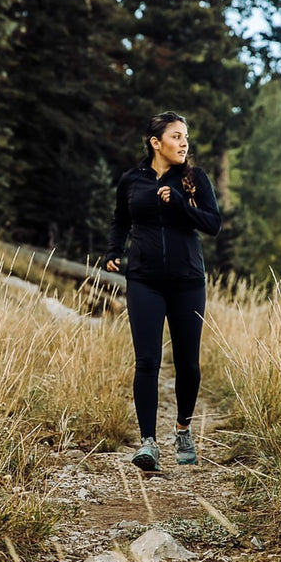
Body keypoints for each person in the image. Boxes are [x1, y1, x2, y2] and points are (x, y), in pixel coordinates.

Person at [105, 111, 221, 471]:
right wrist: (113, 251)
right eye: (176, 136)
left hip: (187, 281)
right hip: (143, 280)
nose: (184, 143)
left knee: (188, 363)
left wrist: (182, 206)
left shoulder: (193, 178)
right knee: (147, 361)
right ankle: (148, 444)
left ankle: (183, 429)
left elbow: (213, 224)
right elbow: (121, 219)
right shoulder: (131, 180)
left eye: (185, 136)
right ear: (156, 143)